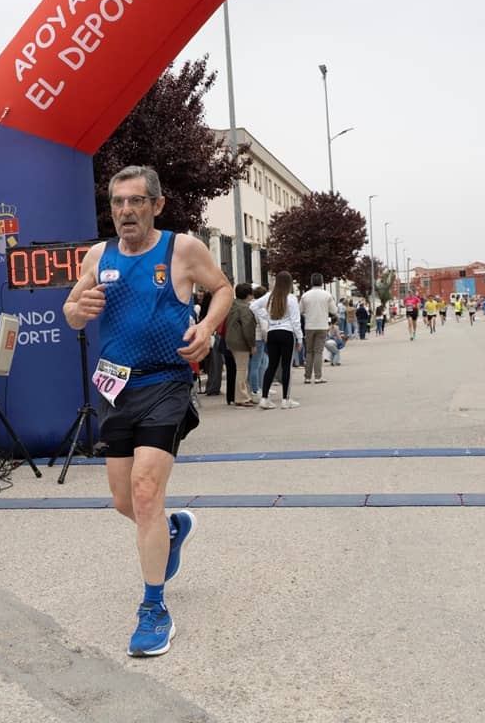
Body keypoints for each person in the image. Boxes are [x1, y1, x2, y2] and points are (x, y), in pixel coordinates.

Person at [62, 165, 232, 657]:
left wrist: (206, 328)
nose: (125, 211)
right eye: (118, 202)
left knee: (145, 490)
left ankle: (154, 608)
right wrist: (78, 310)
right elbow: (71, 310)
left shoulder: (182, 249)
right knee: (126, 503)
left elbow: (222, 288)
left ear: (156, 205)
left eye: (136, 201)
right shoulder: (98, 256)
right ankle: (171, 531)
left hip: (166, 382)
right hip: (116, 388)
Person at [250, 270, 302, 410]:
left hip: (272, 332)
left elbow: (253, 306)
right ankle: (286, 399)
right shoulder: (291, 298)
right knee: (286, 367)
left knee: (271, 365)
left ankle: (264, 398)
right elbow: (295, 321)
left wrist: (266, 317)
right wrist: (300, 338)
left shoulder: (269, 296)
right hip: (287, 332)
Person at [298, 273, 337, 384]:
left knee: (309, 352)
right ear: (322, 282)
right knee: (318, 352)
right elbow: (334, 310)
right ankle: (318, 377)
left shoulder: (305, 295)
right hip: (322, 326)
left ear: (311, 282)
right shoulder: (327, 295)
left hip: (309, 326)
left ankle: (307, 377)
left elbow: (300, 310)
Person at [224, 283, 256, 407]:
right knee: (242, 370)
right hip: (240, 342)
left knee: (239, 369)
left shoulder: (232, 305)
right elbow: (248, 328)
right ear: (249, 295)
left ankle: (243, 395)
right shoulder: (245, 308)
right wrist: (252, 344)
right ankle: (242, 397)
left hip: (231, 339)